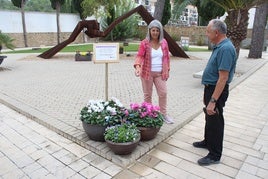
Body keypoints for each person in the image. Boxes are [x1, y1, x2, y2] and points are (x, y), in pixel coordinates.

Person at [193, 19, 237, 166]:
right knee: (209, 118)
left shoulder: (226, 49)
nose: (206, 34)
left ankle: (214, 155)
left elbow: (223, 78)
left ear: (216, 32)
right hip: (211, 88)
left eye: (208, 31)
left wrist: (212, 101)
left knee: (216, 121)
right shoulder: (220, 46)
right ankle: (208, 141)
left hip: (217, 90)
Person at [134, 19, 173, 124]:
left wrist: (167, 70)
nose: (155, 32)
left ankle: (163, 114)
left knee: (163, 93)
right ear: (149, 31)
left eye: (157, 30)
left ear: (160, 31)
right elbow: (139, 56)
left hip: (160, 73)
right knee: (148, 95)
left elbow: (167, 59)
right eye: (153, 30)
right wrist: (138, 67)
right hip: (147, 73)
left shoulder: (164, 42)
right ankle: (149, 115)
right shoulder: (144, 43)